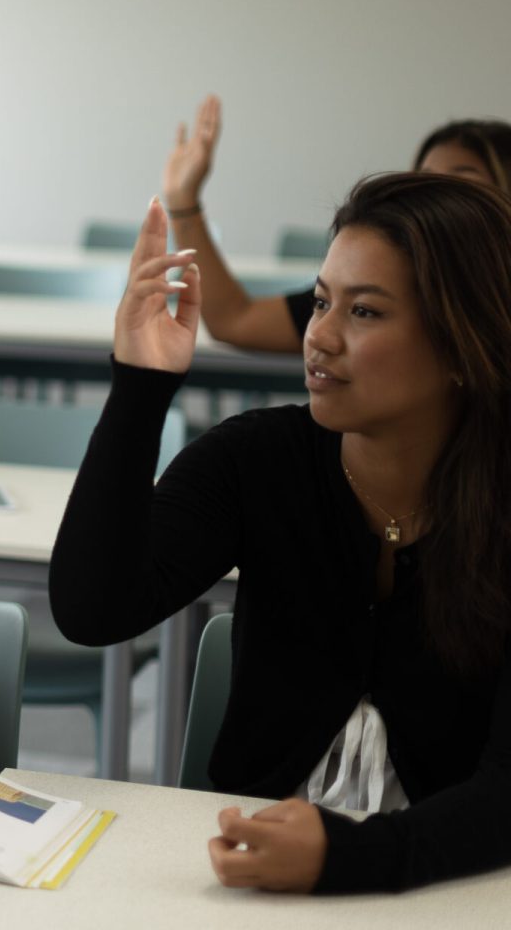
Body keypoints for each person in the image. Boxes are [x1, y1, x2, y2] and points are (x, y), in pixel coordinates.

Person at [50, 175, 511, 894]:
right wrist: (139, 387)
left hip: (454, 885)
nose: (318, 336)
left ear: (461, 344)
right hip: (248, 873)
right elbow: (92, 610)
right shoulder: (256, 460)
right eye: (321, 301)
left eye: (364, 311)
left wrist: (348, 858)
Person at [159, 94, 511, 352]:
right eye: (424, 178)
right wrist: (182, 200)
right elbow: (235, 320)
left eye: (463, 180)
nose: (321, 336)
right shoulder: (380, 281)